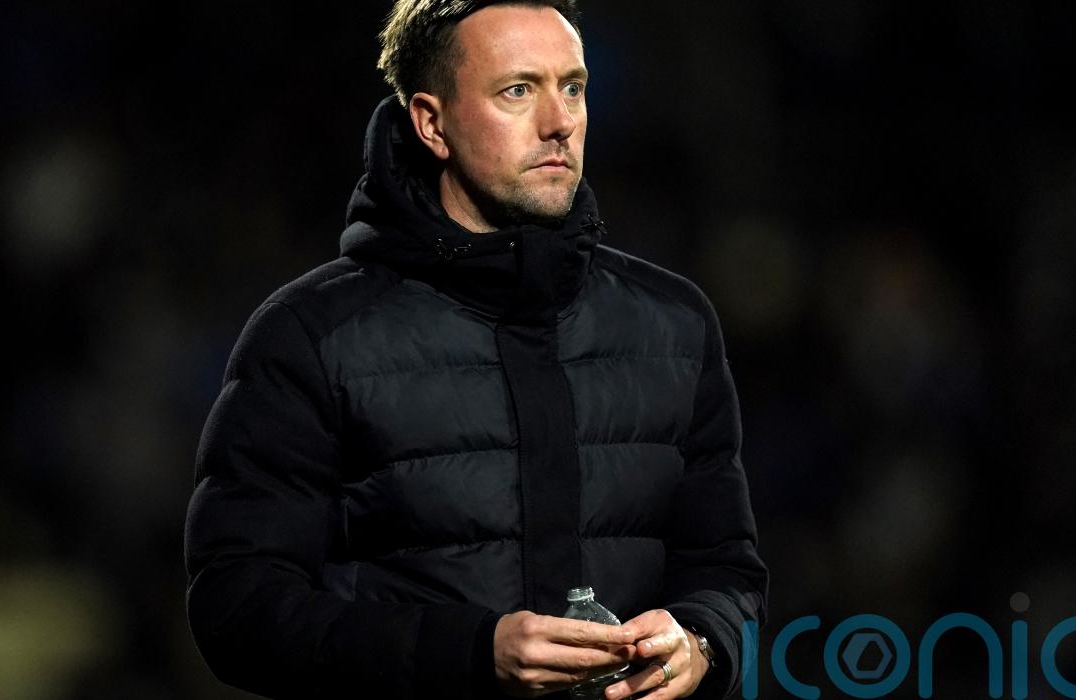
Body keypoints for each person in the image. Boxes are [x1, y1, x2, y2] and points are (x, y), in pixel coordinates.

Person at [184, 2, 767, 698]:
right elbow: (238, 610)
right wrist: (470, 652)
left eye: (572, 87)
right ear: (431, 123)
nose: (559, 121)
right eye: (517, 90)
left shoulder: (674, 325)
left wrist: (701, 642)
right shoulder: (309, 336)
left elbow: (727, 569)